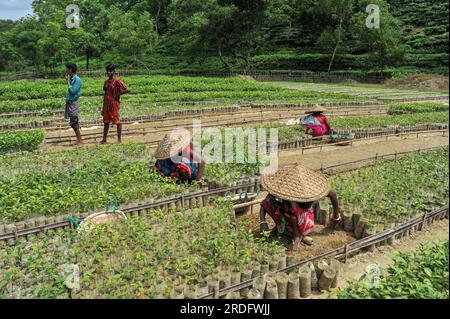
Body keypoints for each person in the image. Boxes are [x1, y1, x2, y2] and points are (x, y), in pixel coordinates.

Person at [259, 164, 341, 251]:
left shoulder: (308, 192)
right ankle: (281, 227)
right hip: (291, 217)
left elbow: (332, 193)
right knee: (269, 200)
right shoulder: (284, 190)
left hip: (304, 223)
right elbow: (265, 202)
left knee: (287, 207)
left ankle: (296, 234)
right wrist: (263, 222)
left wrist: (336, 217)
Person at [100, 64, 131, 144]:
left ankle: (119, 139)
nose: (109, 72)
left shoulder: (117, 81)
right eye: (107, 71)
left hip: (114, 104)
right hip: (107, 104)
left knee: (117, 121)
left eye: (110, 71)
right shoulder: (106, 82)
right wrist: (103, 108)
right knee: (106, 122)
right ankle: (104, 139)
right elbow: (105, 95)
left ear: (114, 72)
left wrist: (118, 94)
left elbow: (127, 89)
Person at [65, 63, 83, 146]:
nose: (66, 71)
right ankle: (78, 139)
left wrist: (68, 82)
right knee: (73, 122)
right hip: (70, 102)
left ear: (71, 70)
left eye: (67, 69)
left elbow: (72, 91)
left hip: (73, 103)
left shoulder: (77, 79)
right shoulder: (72, 78)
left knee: (74, 122)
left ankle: (80, 141)